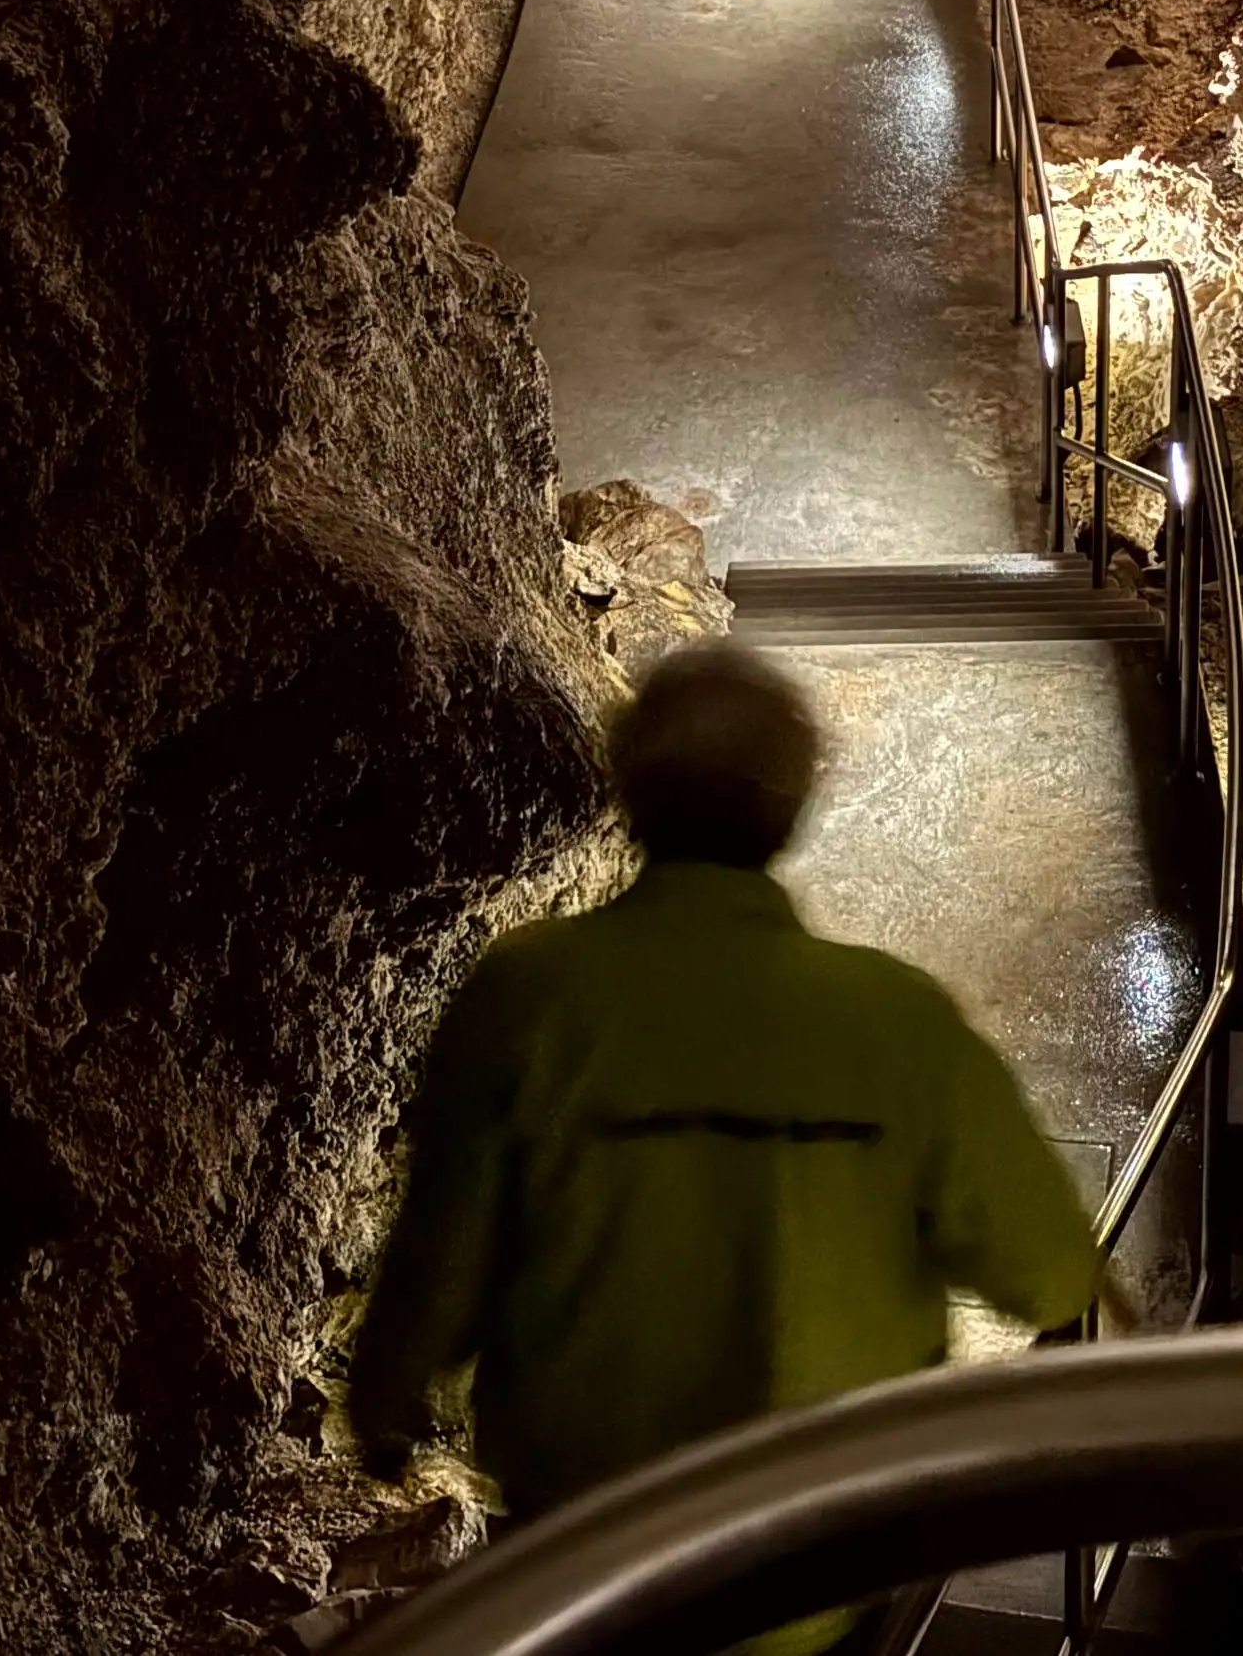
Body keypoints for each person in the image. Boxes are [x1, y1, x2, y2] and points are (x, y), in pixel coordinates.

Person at [349, 641, 1111, 1561]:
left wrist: (385, 1404)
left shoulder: (528, 994)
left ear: (631, 790)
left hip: (589, 1559)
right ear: (789, 805)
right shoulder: (898, 1022)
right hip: (820, 1563)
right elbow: (1048, 1273)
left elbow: (442, 1257)